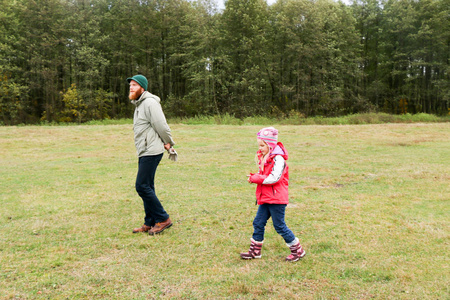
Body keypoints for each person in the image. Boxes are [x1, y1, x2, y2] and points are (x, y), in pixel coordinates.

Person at [240, 127, 306, 262]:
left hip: (277, 199)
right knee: (258, 222)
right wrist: (255, 176)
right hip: (266, 198)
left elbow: (274, 178)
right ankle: (255, 251)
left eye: (262, 145)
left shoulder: (278, 159)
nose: (260, 148)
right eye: (259, 145)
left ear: (270, 144)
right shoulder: (266, 158)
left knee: (279, 225)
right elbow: (264, 175)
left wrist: (255, 179)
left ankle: (297, 250)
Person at [127, 74, 175, 235]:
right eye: (130, 85)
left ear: (142, 87)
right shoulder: (139, 104)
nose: (131, 87)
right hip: (144, 150)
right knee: (148, 186)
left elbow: (161, 125)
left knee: (141, 186)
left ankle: (163, 219)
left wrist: (169, 142)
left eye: (134, 85)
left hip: (152, 150)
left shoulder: (149, 103)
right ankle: (150, 221)